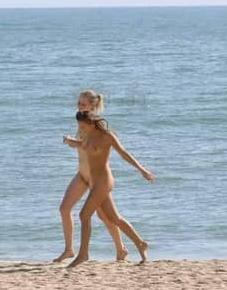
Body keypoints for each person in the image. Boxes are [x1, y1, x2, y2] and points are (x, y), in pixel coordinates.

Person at [64, 111, 155, 267]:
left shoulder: (107, 136)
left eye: (83, 126)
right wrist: (71, 141)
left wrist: (142, 170)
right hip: (94, 182)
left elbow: (124, 153)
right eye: (79, 126)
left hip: (104, 181)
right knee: (114, 218)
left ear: (91, 123)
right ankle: (140, 243)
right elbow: (83, 146)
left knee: (84, 215)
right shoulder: (87, 135)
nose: (81, 129)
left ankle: (83, 254)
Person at [52, 90, 129, 263]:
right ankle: (69, 250)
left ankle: (121, 248)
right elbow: (84, 146)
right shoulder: (81, 121)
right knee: (64, 208)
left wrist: (74, 143)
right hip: (82, 174)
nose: (79, 105)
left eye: (83, 103)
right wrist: (74, 142)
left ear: (92, 106)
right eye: (79, 102)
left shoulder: (95, 125)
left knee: (105, 216)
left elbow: (94, 146)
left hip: (96, 178)